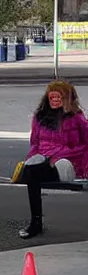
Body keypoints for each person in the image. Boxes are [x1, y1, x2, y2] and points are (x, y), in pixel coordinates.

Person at [19, 80, 88, 239]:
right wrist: (32, 158)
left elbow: (85, 144)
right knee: (31, 170)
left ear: (66, 99)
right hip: (44, 159)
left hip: (68, 161)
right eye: (52, 98)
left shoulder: (76, 117)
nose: (55, 101)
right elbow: (35, 143)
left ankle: (36, 224)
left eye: (59, 98)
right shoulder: (39, 117)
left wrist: (62, 155)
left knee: (39, 172)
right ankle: (36, 223)